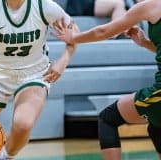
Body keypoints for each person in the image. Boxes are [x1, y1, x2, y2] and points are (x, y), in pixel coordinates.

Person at [0, 0, 78, 160]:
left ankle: (5, 157)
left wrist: (63, 61)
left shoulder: (43, 6)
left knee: (23, 124)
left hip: (34, 74)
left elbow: (75, 31)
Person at [53, 0, 161, 159]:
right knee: (156, 126)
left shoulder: (151, 6)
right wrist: (145, 43)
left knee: (108, 118)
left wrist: (74, 37)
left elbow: (104, 31)